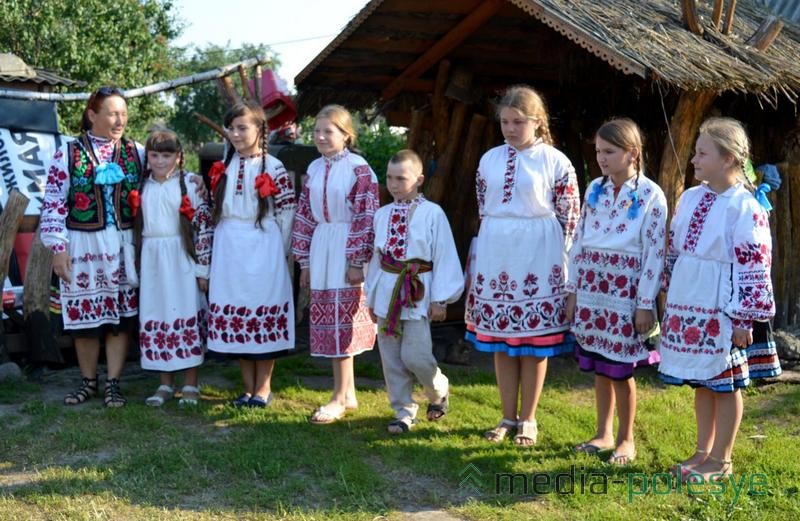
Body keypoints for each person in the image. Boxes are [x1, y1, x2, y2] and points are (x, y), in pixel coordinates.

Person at [659, 117, 781, 482]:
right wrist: (669, 284)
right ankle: (702, 451)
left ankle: (721, 460)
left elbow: (754, 263)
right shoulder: (691, 196)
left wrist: (744, 318)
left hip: (722, 304)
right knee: (703, 382)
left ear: (728, 158)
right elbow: (675, 247)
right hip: (691, 297)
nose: (693, 159)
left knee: (725, 383)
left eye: (702, 153)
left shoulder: (744, 206)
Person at [464, 85, 580, 446]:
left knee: (533, 342)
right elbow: (484, 204)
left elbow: (570, 217)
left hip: (538, 254)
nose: (510, 129)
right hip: (498, 250)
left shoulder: (556, 161)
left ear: (537, 122)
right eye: (504, 122)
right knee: (501, 342)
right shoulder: (489, 160)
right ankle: (506, 416)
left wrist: (562, 262)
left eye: (517, 122)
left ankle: (528, 418)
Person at [565, 118, 667, 465]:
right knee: (599, 365)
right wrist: (573, 289)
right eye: (597, 151)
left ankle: (626, 439)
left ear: (632, 153)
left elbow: (655, 252)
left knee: (621, 368)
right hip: (593, 289)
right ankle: (603, 432)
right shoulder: (595, 188)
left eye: (609, 151)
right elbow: (579, 240)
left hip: (625, 292)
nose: (601, 158)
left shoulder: (651, 194)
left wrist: (644, 304)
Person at [42, 87, 143, 407]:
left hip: (123, 245)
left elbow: (165, 172)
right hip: (82, 244)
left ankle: (113, 381)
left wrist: (191, 181)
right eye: (113, 113)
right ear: (92, 115)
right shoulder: (68, 153)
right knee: (84, 320)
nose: (119, 120)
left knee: (120, 318)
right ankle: (88, 381)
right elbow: (54, 203)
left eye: (123, 114)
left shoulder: (136, 151)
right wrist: (58, 248)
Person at [365, 150, 463, 434]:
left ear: (419, 179)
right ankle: (403, 410)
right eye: (390, 178)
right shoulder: (382, 215)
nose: (394, 184)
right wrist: (372, 296)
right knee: (391, 358)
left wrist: (440, 299)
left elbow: (444, 254)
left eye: (401, 178)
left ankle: (438, 390)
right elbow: (377, 258)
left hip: (417, 293)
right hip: (386, 292)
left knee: (416, 356)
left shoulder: (432, 213)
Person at [291, 104, 378, 424]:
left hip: (346, 246)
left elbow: (365, 217)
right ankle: (348, 392)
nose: (321, 137)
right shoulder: (313, 168)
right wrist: (305, 262)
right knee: (330, 319)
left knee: (344, 321)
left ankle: (339, 397)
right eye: (316, 131)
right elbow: (304, 216)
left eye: (328, 131)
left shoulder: (359, 168)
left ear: (346, 135)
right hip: (322, 245)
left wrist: (357, 261)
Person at [207, 101, 296, 408]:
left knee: (263, 309)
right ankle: (247, 388)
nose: (235, 134)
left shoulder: (274, 167)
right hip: (229, 246)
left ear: (260, 129)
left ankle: (264, 388)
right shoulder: (224, 165)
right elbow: (211, 209)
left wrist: (278, 251)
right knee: (237, 312)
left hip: (264, 246)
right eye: (231, 128)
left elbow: (287, 212)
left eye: (242, 127)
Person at [138, 127, 213, 407]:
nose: (159, 161)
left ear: (179, 157)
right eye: (154, 155)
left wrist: (203, 269)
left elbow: (204, 230)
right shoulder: (141, 187)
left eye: (166, 156)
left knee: (184, 313)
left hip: (181, 258)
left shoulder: (191, 185)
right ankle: (165, 384)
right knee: (157, 314)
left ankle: (191, 384)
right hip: (152, 259)